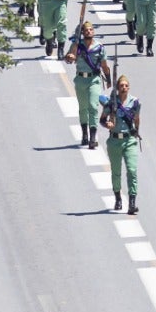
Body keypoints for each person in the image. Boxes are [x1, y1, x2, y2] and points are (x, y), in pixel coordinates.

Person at [64, 20, 111, 149]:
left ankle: (93, 137)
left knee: (93, 106)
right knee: (83, 108)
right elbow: (68, 58)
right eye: (86, 30)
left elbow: (104, 65)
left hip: (94, 80)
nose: (89, 31)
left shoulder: (99, 47)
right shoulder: (77, 46)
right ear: (82, 33)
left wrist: (108, 78)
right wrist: (70, 56)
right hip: (80, 79)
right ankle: (85, 134)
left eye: (91, 29)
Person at [100, 74, 140, 213]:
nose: (124, 88)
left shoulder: (135, 102)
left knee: (132, 170)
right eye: (121, 85)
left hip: (129, 140)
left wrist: (136, 131)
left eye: (126, 85)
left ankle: (132, 202)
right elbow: (102, 119)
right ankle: (118, 198)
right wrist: (108, 124)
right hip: (115, 140)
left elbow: (136, 118)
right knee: (116, 172)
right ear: (117, 88)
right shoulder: (112, 103)